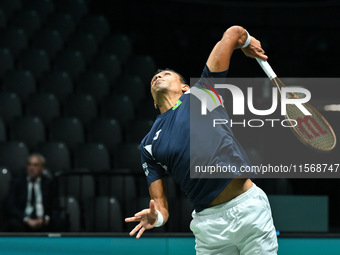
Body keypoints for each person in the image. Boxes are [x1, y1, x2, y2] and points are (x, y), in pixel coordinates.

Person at [125, 25, 278, 254]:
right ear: (154, 103)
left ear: (185, 87)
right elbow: (161, 206)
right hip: (209, 226)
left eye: (167, 74)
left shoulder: (203, 94)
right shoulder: (148, 145)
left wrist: (246, 43)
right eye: (155, 77)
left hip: (248, 209)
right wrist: (155, 218)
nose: (158, 75)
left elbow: (234, 32)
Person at [4, 153, 60, 232]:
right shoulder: (17, 182)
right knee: (12, 223)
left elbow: (55, 206)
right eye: (29, 165)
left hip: (43, 221)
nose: (31, 168)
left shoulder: (49, 183)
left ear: (42, 168)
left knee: (60, 222)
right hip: (23, 221)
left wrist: (46, 219)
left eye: (35, 165)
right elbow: (10, 206)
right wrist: (26, 220)